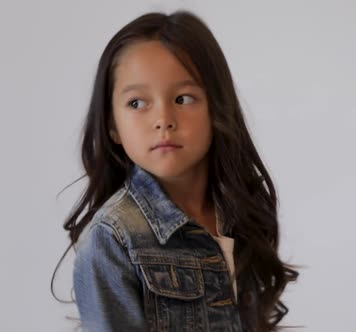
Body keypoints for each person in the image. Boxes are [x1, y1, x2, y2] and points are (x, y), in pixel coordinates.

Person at [54, 10, 298, 332]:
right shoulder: (112, 239)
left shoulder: (238, 212)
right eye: (137, 103)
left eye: (183, 98)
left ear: (216, 107)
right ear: (112, 125)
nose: (163, 119)